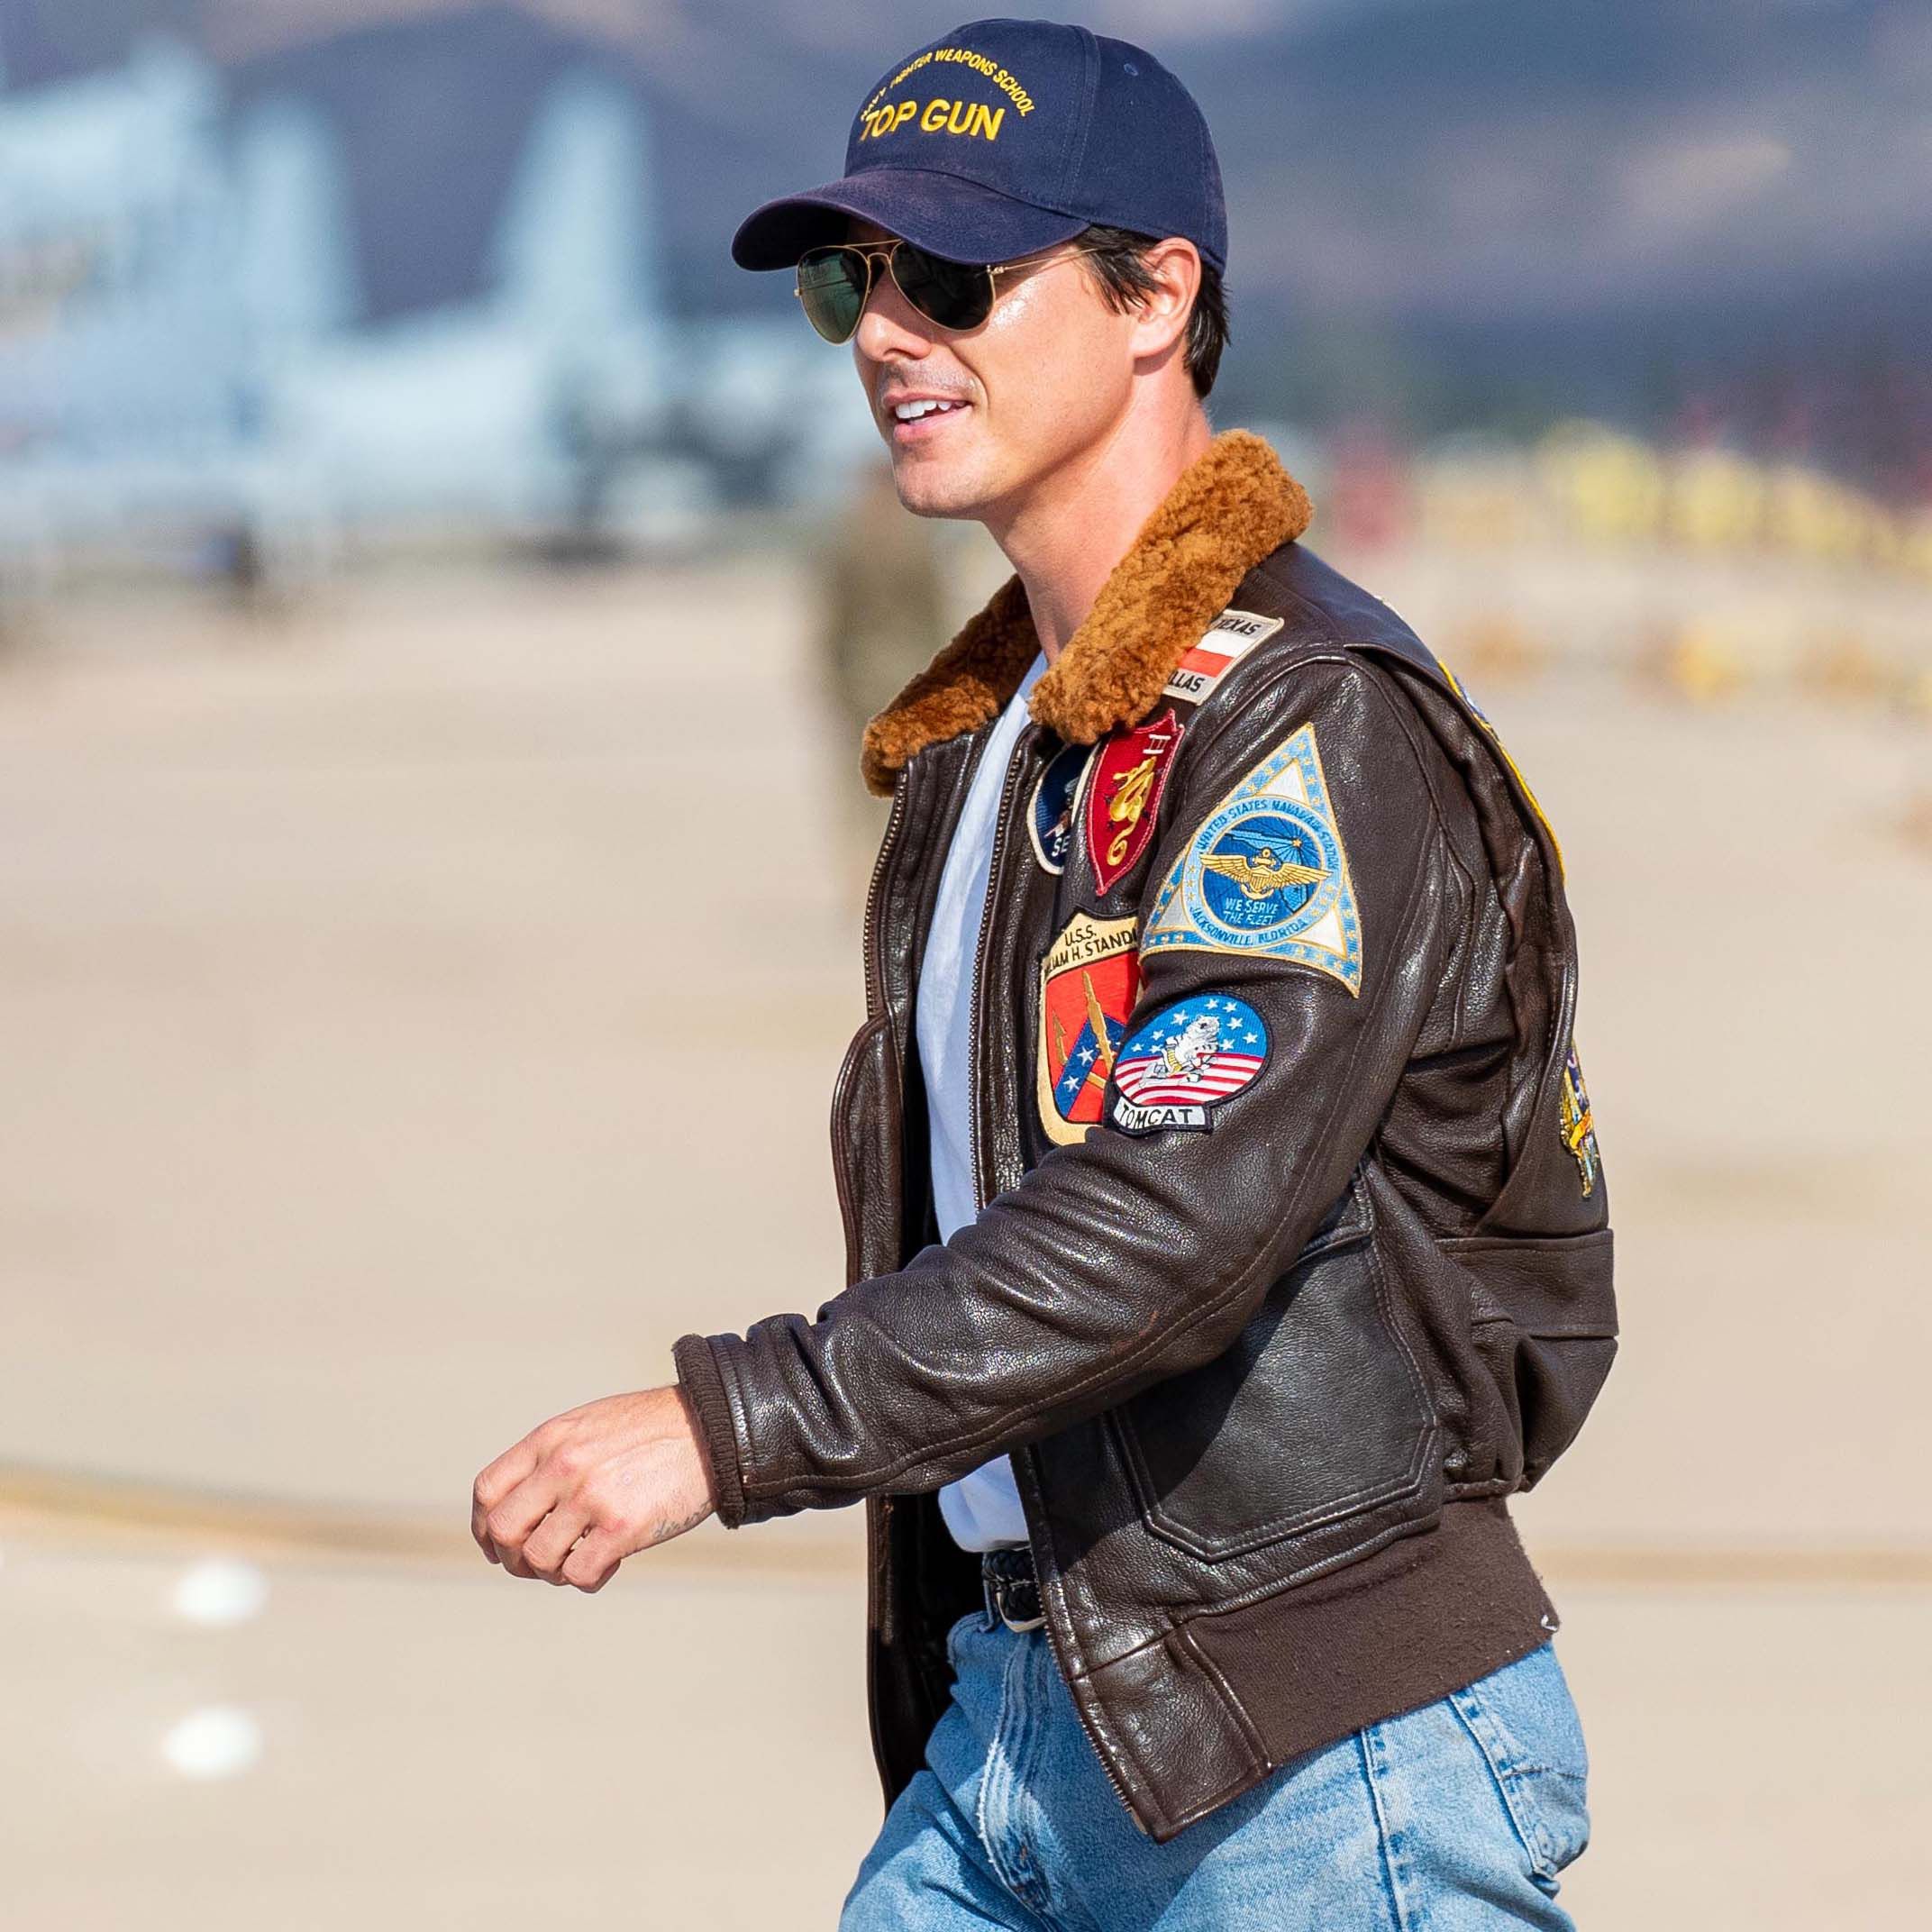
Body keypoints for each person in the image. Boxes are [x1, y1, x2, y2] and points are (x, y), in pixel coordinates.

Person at [470, 20, 1618, 1927]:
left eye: (949, 274)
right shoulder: (1001, 740)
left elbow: (1171, 1213)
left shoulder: (1301, 720)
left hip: (1307, 1756)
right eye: (849, 282)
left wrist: (730, 1423)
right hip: (1020, 1709)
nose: (882, 334)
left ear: (1156, 295)